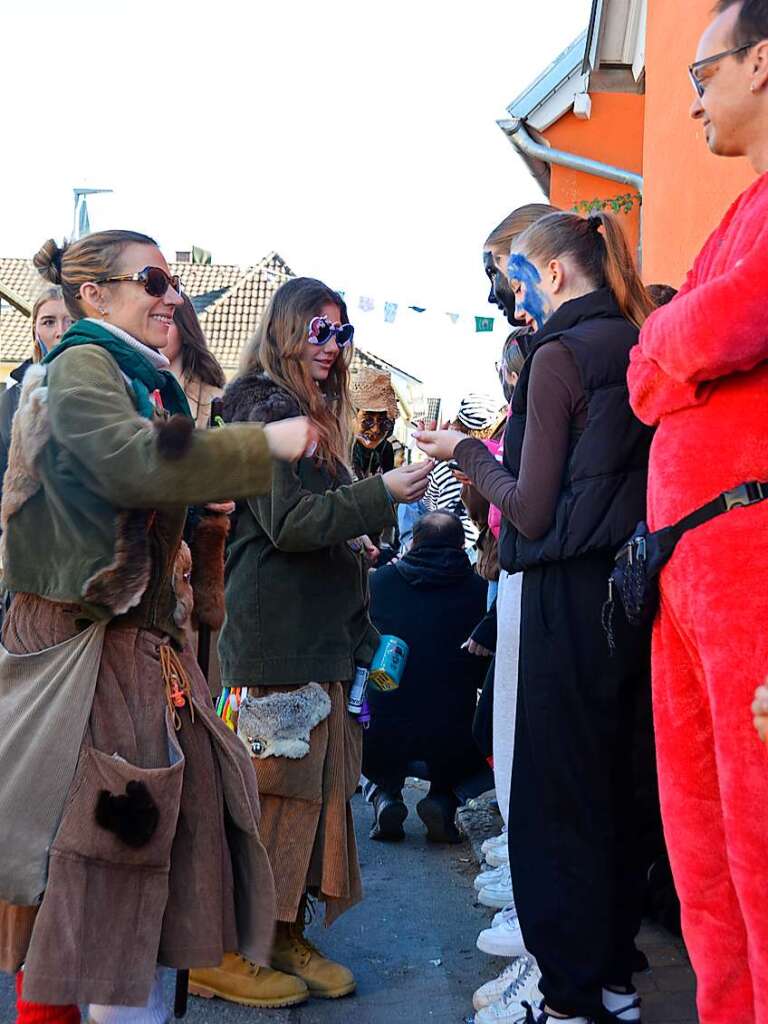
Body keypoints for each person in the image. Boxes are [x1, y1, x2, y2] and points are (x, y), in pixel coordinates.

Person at [0, 229, 314, 1024]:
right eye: (153, 279)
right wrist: (256, 448)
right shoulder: (81, 365)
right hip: (87, 652)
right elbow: (123, 463)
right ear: (95, 295)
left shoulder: (130, 374)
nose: (171, 294)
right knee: (99, 866)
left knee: (109, 870)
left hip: (124, 647)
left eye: (170, 280)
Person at [416, 210, 655, 1024]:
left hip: (562, 596)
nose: (511, 294)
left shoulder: (558, 355)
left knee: (556, 804)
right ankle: (613, 984)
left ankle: (569, 996)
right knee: (615, 794)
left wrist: (463, 454)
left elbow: (530, 508)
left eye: (516, 275)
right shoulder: (635, 339)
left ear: (550, 274)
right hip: (627, 595)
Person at [197, 276, 432, 1006]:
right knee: (271, 800)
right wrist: (380, 493)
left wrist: (362, 524)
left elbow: (321, 523)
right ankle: (227, 950)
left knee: (313, 800)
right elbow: (289, 525)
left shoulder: (310, 415)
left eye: (342, 333)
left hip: (316, 639)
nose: (331, 347)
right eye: (318, 331)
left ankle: (282, 932)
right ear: (284, 330)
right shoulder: (258, 410)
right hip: (272, 642)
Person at [627, 4, 768, 1020]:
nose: (690, 100)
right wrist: (679, 339)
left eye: (704, 72)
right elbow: (655, 366)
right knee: (702, 850)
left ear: (762, 63)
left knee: (757, 844)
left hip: (746, 553)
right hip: (688, 564)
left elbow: (725, 320)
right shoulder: (738, 209)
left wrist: (673, 333)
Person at [362, 510, 490, 843]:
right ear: (462, 547)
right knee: (458, 726)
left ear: (413, 543)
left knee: (372, 722)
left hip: (382, 733)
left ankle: (385, 796)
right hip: (454, 736)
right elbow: (481, 673)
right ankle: (442, 799)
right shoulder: (478, 592)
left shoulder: (378, 584)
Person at [0, 287, 71, 520]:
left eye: (70, 321)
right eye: (49, 322)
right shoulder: (11, 401)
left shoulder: (109, 388)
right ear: (35, 331)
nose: (60, 331)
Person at [423, 394, 501, 550]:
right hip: (473, 541)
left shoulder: (448, 463)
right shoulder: (495, 458)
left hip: (448, 537)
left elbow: (429, 501)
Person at [163, 291, 226, 427]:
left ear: (185, 330)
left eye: (167, 319)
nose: (158, 329)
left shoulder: (218, 401)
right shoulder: (130, 392)